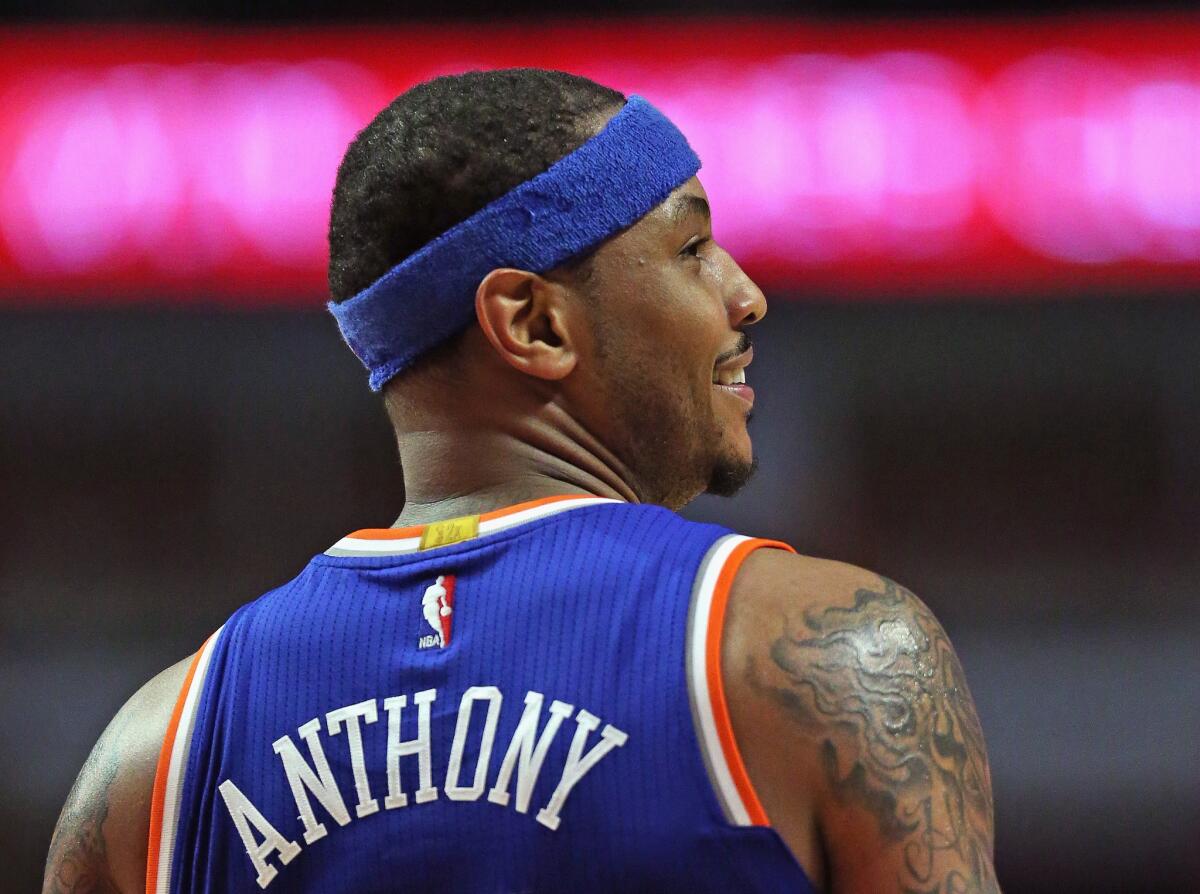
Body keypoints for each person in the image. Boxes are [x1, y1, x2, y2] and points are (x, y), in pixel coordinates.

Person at [43, 69, 999, 894]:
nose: (745, 294)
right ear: (533, 325)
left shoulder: (155, 757)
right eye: (692, 250)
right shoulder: (823, 654)